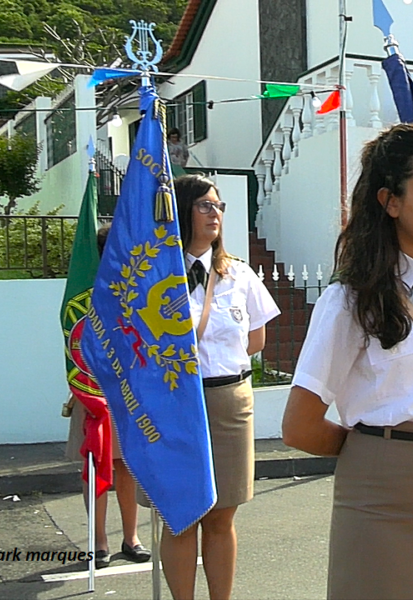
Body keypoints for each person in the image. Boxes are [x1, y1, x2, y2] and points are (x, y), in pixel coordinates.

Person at [281, 123, 413, 600]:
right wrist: (376, 451)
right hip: (377, 500)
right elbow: (299, 426)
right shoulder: (349, 300)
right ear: (391, 201)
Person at [160, 174, 280, 600]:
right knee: (180, 515)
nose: (216, 214)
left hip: (228, 401)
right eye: (205, 206)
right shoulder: (155, 274)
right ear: (182, 212)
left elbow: (256, 340)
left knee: (222, 515)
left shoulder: (238, 275)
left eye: (220, 206)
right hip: (173, 404)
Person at [66, 224, 150, 569]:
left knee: (127, 468)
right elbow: (74, 340)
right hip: (90, 394)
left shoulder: (131, 290)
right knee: (94, 464)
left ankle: (131, 538)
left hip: (127, 394)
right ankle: (98, 541)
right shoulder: (82, 295)